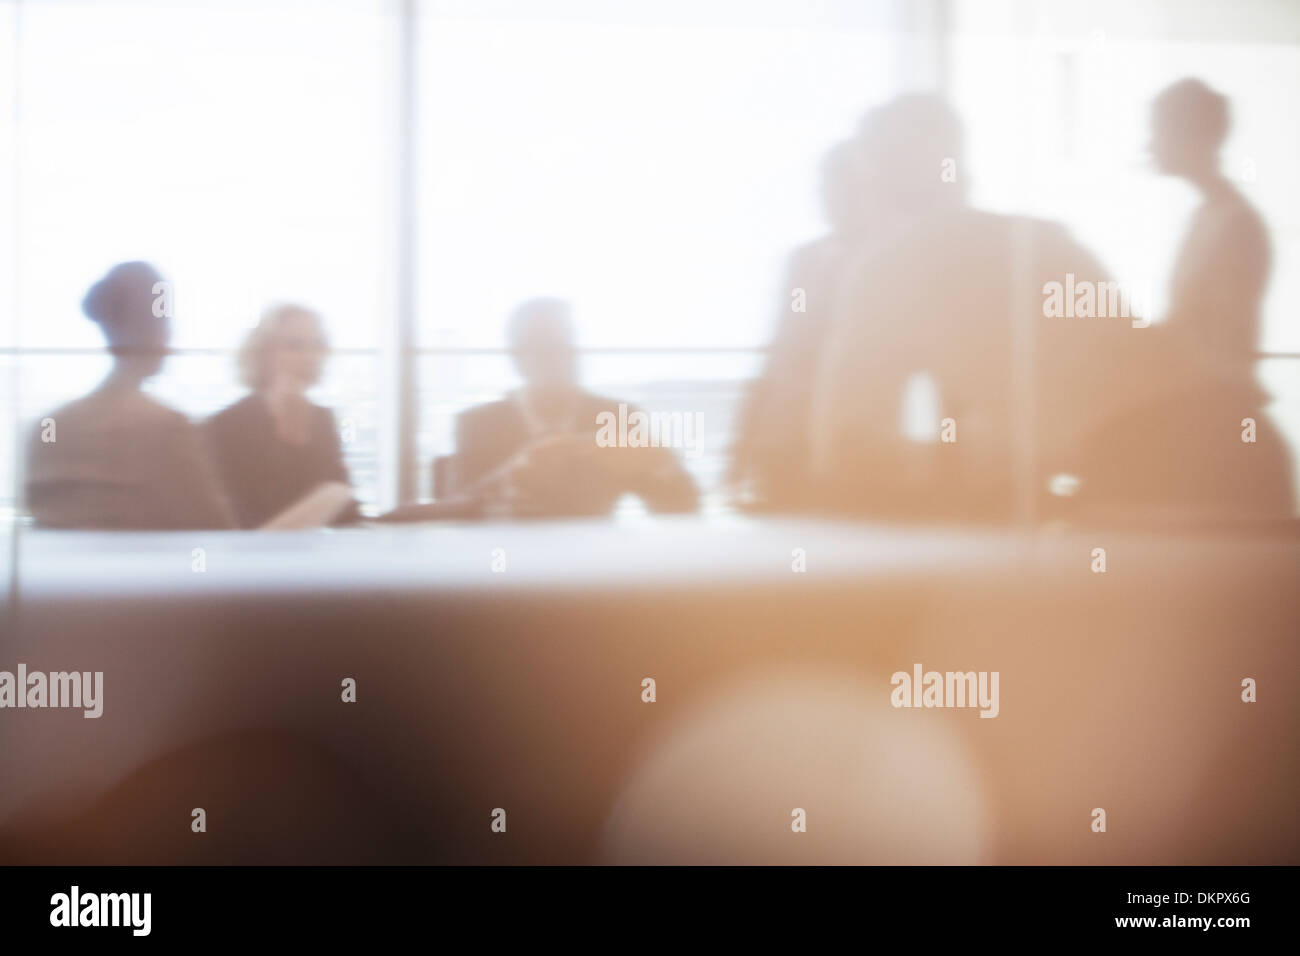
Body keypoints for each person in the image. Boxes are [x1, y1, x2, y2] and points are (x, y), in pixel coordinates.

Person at [25, 262, 235, 530]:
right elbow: (217, 533)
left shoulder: (47, 427)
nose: (171, 333)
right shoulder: (165, 428)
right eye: (166, 319)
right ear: (152, 326)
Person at [447, 298, 698, 517]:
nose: (562, 357)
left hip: (594, 564)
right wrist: (511, 475)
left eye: (568, 343)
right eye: (546, 347)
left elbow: (683, 510)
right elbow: (453, 513)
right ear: (517, 358)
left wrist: (661, 464)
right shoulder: (479, 424)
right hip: (504, 562)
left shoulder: (614, 417)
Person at [205, 304, 360, 528]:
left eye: (317, 345)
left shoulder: (321, 419)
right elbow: (240, 519)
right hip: (249, 557)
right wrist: (290, 445)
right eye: (294, 346)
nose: (310, 357)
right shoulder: (225, 425)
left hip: (314, 556)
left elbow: (346, 514)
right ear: (263, 354)